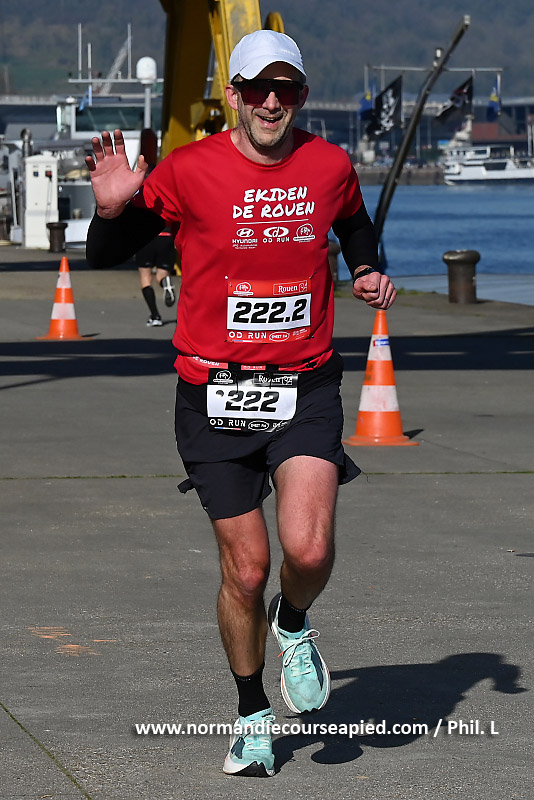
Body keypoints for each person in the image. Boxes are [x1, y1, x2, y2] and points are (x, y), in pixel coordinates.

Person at [85, 29, 396, 777]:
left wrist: (366, 268)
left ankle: (295, 622)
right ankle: (252, 713)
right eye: (257, 88)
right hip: (213, 392)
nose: (270, 102)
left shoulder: (328, 164)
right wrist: (112, 211)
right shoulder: (190, 170)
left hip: (304, 384)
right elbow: (106, 253)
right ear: (233, 95)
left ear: (301, 96)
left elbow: (354, 222)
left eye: (285, 89)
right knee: (247, 570)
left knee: (309, 550)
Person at [134, 128, 176, 326]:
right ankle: (165, 283)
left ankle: (155, 316)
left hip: (145, 237)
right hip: (166, 236)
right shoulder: (166, 185)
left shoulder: (138, 187)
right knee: (161, 273)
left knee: (145, 278)